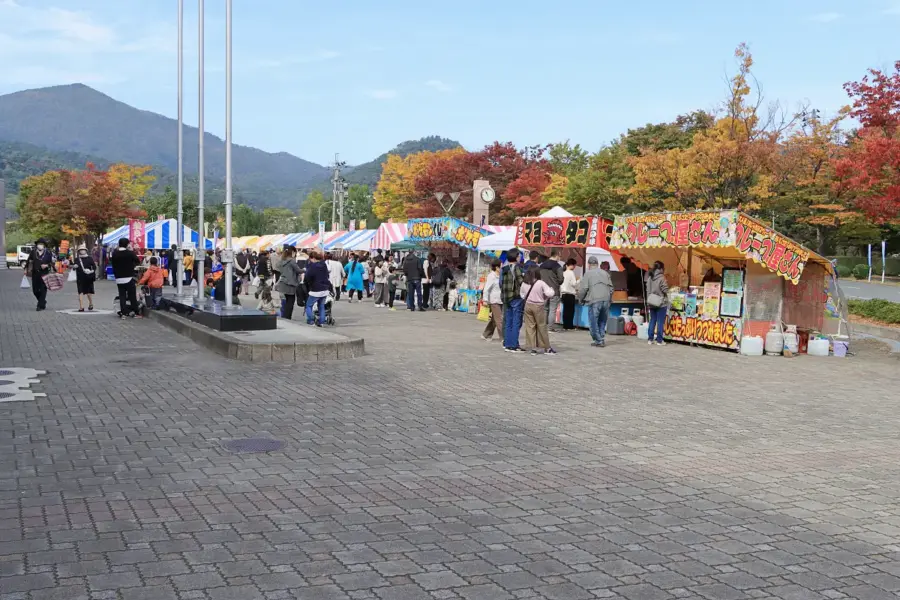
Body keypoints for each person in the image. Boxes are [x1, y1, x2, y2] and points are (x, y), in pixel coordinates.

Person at [578, 256, 614, 347]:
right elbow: (611, 288)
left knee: (594, 321)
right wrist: (609, 298)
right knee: (602, 320)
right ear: (597, 264)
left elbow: (583, 289)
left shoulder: (588, 274)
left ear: (588, 264)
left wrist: (580, 299)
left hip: (594, 300)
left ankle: (598, 340)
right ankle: (601, 338)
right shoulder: (605, 273)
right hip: (606, 300)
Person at [521, 266, 556, 355]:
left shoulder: (525, 282)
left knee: (530, 327)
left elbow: (522, 295)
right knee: (541, 326)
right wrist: (552, 290)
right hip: (538, 306)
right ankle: (547, 347)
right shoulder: (540, 283)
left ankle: (533, 348)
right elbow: (550, 293)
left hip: (528, 305)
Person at [501, 248, 526, 352]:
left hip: (506, 297)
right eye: (519, 255)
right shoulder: (517, 268)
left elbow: (501, 283)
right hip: (516, 297)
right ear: (516, 257)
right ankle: (514, 345)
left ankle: (507, 343)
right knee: (516, 321)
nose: (520, 257)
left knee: (508, 321)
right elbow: (521, 282)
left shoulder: (504, 268)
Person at [111, 238, 141, 319]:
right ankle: (135, 312)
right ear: (127, 244)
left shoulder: (115, 254)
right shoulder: (129, 253)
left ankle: (123, 313)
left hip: (119, 278)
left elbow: (113, 264)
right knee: (132, 296)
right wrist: (131, 251)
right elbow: (138, 261)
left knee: (122, 296)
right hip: (129, 277)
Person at [25, 238, 54, 311]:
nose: (40, 245)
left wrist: (47, 265)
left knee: (43, 289)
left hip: (44, 273)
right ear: (37, 245)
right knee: (35, 290)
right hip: (35, 273)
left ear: (44, 245)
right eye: (39, 244)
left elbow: (51, 263)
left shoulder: (48, 252)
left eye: (42, 244)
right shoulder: (33, 252)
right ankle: (43, 301)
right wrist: (26, 269)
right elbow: (29, 261)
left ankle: (40, 305)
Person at [304, 251, 332, 327]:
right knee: (321, 306)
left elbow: (307, 277)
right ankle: (322, 322)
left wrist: (309, 283)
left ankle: (311, 320)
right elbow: (327, 275)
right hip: (325, 289)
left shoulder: (312, 267)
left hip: (315, 289)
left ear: (312, 258)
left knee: (308, 305)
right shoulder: (324, 265)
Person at [539, 250, 564, 332]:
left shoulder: (541, 266)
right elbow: (561, 280)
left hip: (543, 291)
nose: (560, 258)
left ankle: (543, 327)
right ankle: (550, 328)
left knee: (545, 309)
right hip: (554, 290)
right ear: (556, 255)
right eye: (559, 256)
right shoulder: (558, 267)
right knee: (552, 310)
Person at [646, 261, 670, 346]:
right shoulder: (662, 278)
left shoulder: (650, 277)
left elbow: (647, 290)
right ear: (661, 269)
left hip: (651, 301)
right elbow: (665, 289)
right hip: (661, 303)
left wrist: (649, 299)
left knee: (652, 320)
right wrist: (668, 292)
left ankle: (650, 339)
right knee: (660, 322)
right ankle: (659, 340)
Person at [274, 247, 302, 319]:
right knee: (291, 301)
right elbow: (298, 270)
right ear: (292, 252)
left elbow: (277, 267)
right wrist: (305, 270)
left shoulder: (281, 260)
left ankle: (285, 315)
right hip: (291, 283)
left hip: (283, 282)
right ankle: (287, 316)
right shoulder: (292, 261)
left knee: (285, 300)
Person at [481, 259, 503, 341]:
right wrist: (485, 300)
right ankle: (503, 337)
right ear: (497, 267)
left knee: (495, 319)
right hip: (494, 300)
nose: (502, 267)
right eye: (501, 266)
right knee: (499, 319)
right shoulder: (491, 276)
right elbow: (486, 288)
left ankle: (486, 334)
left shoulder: (500, 276)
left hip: (501, 299)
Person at [74, 246, 97, 312]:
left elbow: (94, 267)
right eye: (81, 250)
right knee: (80, 292)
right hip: (80, 278)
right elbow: (74, 267)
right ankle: (81, 306)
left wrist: (91, 271)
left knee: (88, 292)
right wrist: (74, 267)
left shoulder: (90, 258)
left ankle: (91, 303)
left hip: (88, 277)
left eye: (83, 250)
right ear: (79, 251)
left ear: (86, 251)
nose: (82, 251)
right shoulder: (77, 259)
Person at [560, 258, 578, 330]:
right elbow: (574, 284)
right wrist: (579, 281)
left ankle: (565, 325)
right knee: (570, 311)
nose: (575, 267)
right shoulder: (571, 273)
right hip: (570, 294)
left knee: (565, 310)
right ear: (572, 265)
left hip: (563, 294)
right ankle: (570, 325)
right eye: (575, 265)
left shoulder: (563, 272)